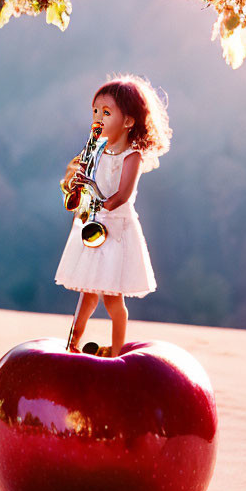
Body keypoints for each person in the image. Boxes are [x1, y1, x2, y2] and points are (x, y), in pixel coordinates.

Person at [55, 74, 171, 357]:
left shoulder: (132, 155)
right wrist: (78, 184)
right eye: (95, 111)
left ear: (129, 121)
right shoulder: (96, 150)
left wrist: (95, 196)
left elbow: (121, 196)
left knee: (112, 297)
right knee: (87, 293)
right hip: (94, 224)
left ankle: (118, 350)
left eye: (106, 113)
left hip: (116, 229)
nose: (98, 118)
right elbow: (81, 179)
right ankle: (72, 344)